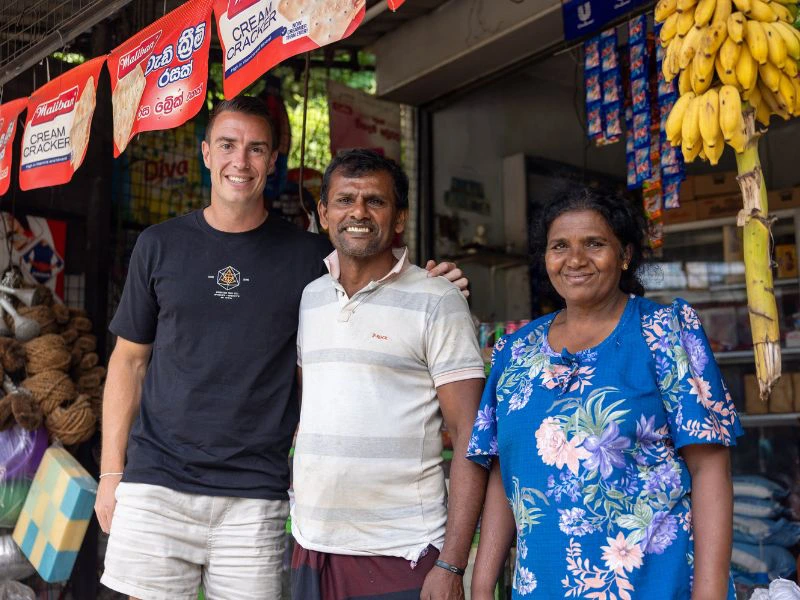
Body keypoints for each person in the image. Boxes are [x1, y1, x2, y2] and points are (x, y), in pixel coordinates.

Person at [94, 97, 466, 600]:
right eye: (227, 145)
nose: (240, 161)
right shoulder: (159, 245)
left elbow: (370, 274)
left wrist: (434, 283)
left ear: (273, 162)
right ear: (206, 153)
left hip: (257, 493)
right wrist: (111, 473)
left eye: (256, 149)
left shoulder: (311, 258)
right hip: (157, 482)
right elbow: (129, 360)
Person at [467, 186, 743, 599]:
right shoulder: (516, 351)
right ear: (546, 258)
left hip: (654, 584)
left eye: (594, 244)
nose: (575, 260)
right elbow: (504, 476)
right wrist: (482, 582)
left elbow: (710, 471)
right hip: (542, 586)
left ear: (625, 255)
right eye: (560, 246)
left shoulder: (664, 333)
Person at [290, 149, 488, 600]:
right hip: (311, 542)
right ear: (323, 214)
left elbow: (470, 435)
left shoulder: (438, 300)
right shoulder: (310, 298)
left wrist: (452, 562)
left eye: (374, 201)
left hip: (403, 550)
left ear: (399, 218)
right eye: (344, 200)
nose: (357, 212)